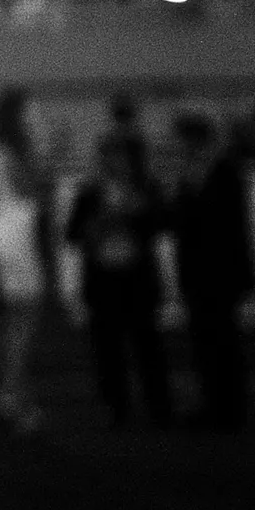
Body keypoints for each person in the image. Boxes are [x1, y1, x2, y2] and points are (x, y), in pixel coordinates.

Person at [67, 131, 175, 427]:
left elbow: (163, 224)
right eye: (108, 157)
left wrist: (139, 211)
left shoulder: (146, 189)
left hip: (137, 279)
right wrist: (98, 223)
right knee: (107, 348)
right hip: (103, 281)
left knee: (147, 345)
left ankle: (158, 405)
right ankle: (116, 406)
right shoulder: (89, 193)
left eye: (120, 157)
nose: (114, 163)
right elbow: (73, 233)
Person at [0, 92, 53, 434]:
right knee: (24, 317)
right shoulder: (8, 151)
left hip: (3, 233)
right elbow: (30, 190)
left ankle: (6, 390)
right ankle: (11, 394)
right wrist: (41, 156)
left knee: (10, 319)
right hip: (15, 236)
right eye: (31, 112)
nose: (36, 117)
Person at [166, 111, 255, 431]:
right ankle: (217, 403)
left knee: (221, 340)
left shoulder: (220, 172)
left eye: (179, 141)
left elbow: (219, 225)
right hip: (205, 271)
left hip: (217, 272)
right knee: (208, 340)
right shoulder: (209, 171)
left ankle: (227, 407)